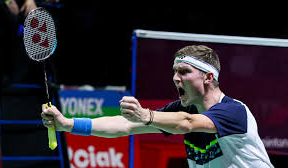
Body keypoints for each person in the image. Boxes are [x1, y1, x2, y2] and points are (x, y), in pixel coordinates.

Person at [41, 45, 274, 167]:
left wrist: (146, 115)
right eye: (174, 72)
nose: (175, 78)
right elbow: (124, 126)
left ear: (208, 78)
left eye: (184, 72)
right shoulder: (182, 109)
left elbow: (188, 124)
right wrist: (68, 124)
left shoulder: (233, 111)